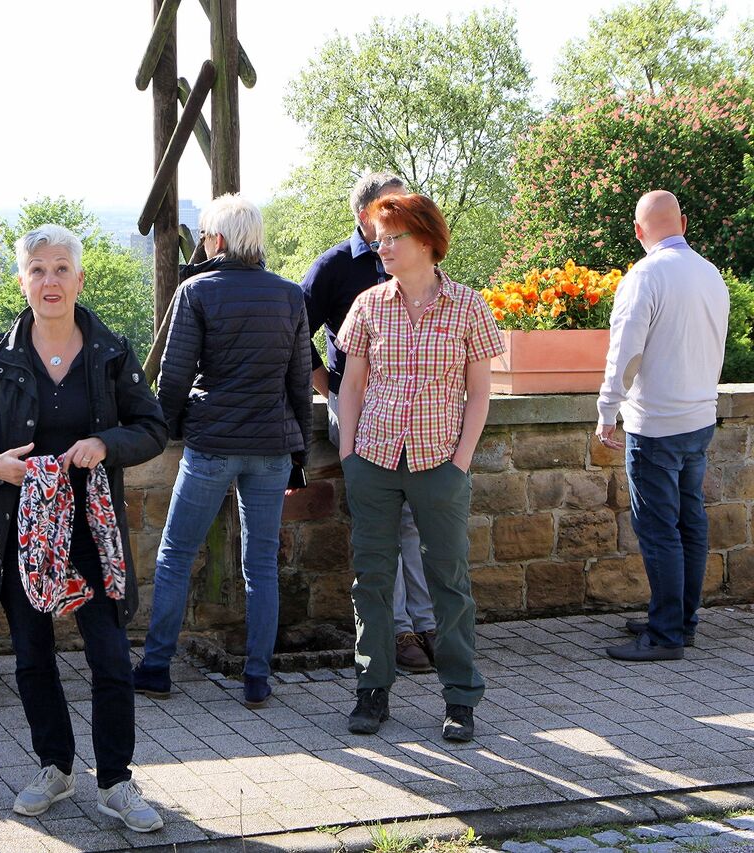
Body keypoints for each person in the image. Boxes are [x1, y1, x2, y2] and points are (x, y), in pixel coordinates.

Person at [0, 225, 168, 833]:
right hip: (22, 531)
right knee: (32, 656)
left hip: (93, 532)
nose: (50, 281)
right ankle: (55, 766)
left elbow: (152, 427)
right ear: (23, 280)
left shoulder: (111, 351)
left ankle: (116, 781)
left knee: (110, 656)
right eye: (38, 269)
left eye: (61, 268)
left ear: (79, 279)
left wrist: (106, 443)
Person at [132, 193, 312, 709]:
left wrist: (165, 430)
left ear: (216, 239)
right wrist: (299, 453)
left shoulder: (196, 291)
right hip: (272, 446)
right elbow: (299, 382)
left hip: (211, 444)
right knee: (261, 564)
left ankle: (157, 667)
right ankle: (257, 677)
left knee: (175, 555)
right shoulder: (289, 295)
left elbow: (174, 375)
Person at [335, 192, 503, 743]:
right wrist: (349, 455)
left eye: (392, 238)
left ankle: (460, 698)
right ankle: (371, 690)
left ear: (426, 240)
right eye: (379, 239)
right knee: (372, 580)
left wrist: (460, 462)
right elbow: (351, 385)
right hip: (374, 460)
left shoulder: (468, 306)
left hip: (439, 463)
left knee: (449, 582)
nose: (381, 247)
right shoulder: (369, 305)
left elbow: (480, 393)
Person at [301, 172, 438, 674]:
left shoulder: (414, 255)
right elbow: (294, 331)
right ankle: (397, 631)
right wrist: (331, 391)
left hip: (415, 411)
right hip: (359, 409)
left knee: (415, 519)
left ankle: (428, 625)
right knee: (381, 522)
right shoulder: (335, 265)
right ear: (366, 215)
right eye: (392, 206)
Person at [597, 190, 729, 662]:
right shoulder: (711, 274)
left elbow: (626, 352)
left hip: (656, 424)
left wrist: (607, 410)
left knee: (659, 530)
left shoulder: (645, 276)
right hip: (699, 418)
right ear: (684, 223)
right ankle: (681, 621)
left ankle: (666, 633)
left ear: (638, 231)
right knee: (689, 522)